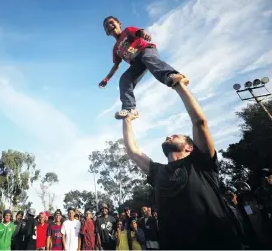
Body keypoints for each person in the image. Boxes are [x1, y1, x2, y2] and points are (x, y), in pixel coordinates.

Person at [122, 78, 243, 249]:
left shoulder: (201, 163)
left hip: (218, 242)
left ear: (190, 147)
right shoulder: (158, 172)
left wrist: (178, 85)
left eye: (175, 135)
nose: (169, 136)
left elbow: (199, 122)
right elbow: (133, 151)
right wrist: (127, 119)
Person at [98, 16, 187, 119]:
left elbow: (138, 32)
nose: (109, 25)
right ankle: (129, 109)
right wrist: (107, 79)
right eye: (106, 26)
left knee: (147, 58)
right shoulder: (115, 49)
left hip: (145, 50)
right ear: (107, 33)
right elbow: (116, 65)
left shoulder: (127, 31)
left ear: (119, 23)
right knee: (124, 79)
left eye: (111, 22)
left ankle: (170, 75)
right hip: (136, 63)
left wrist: (143, 34)